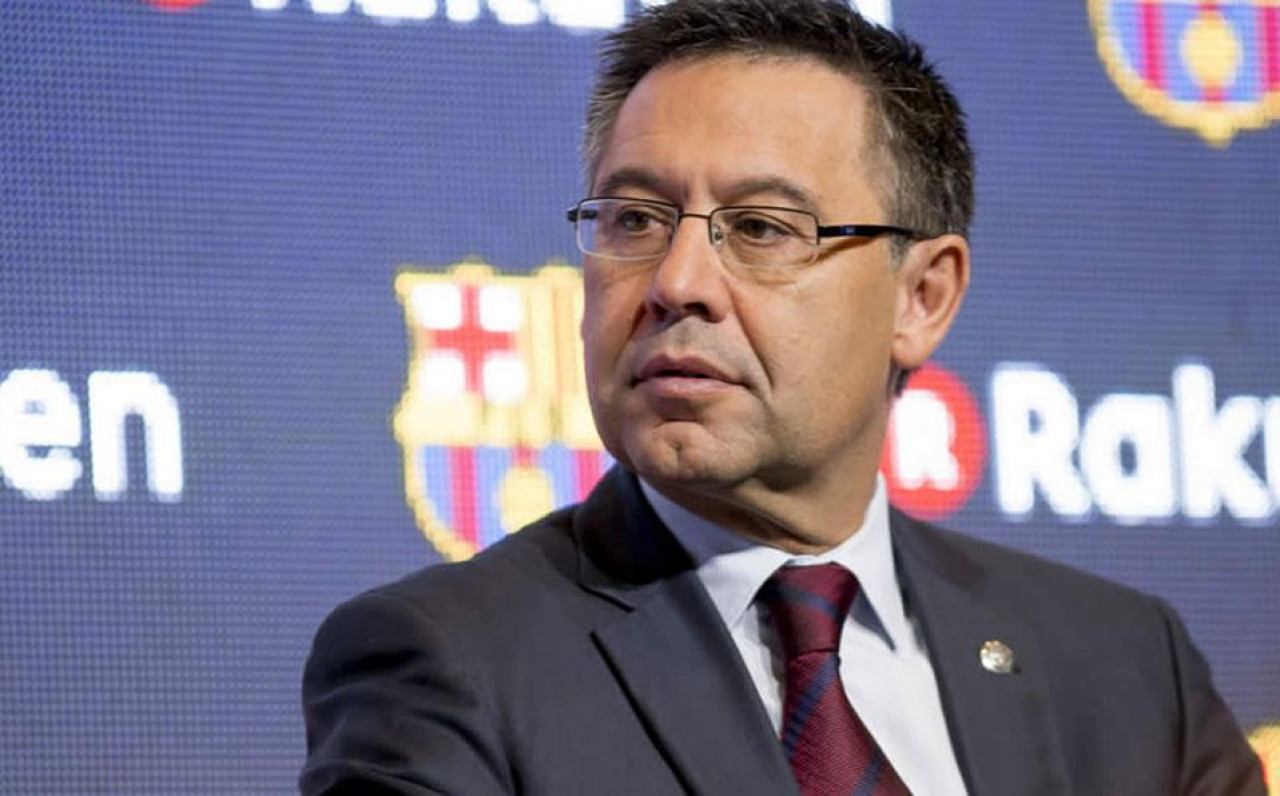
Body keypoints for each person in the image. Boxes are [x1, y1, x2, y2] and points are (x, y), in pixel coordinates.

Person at [299, 1, 1265, 793]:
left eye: (761, 229)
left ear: (922, 298)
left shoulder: (1128, 668)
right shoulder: (444, 667)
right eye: (634, 219)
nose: (677, 281)